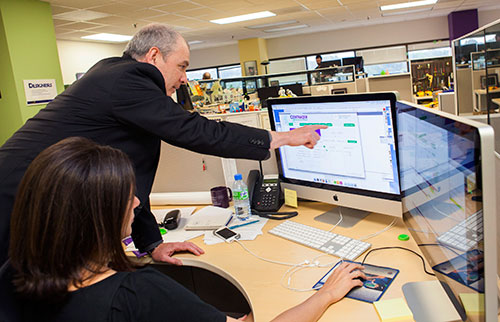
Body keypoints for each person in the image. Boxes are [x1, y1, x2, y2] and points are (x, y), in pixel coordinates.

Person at [0, 23, 326, 266]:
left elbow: (128, 175)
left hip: (36, 197)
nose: (185, 78)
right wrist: (280, 138)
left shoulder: (117, 77)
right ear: (154, 55)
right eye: (182, 66)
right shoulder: (129, 80)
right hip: (16, 199)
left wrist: (152, 243)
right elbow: (195, 130)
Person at [6, 137, 365, 321]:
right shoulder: (138, 293)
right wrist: (326, 294)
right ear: (95, 218)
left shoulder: (15, 275)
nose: (136, 204)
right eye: (126, 198)